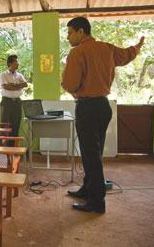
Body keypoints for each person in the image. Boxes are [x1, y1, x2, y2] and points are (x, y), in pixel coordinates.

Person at [62, 17, 144, 213]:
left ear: (81, 32)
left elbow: (71, 84)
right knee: (93, 153)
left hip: (87, 107)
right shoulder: (107, 48)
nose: (68, 37)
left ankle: (97, 202)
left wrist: (64, 84)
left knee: (90, 154)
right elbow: (126, 55)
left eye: (70, 32)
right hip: (103, 106)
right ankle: (87, 189)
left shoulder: (77, 52)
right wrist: (138, 46)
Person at [0, 55, 27, 146]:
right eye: (16, 62)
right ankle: (4, 148)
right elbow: (5, 87)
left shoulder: (19, 75)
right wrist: (18, 86)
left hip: (17, 102)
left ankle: (13, 148)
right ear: (10, 63)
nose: (18, 63)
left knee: (16, 124)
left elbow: (25, 84)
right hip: (7, 102)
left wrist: (13, 85)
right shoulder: (3, 75)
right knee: (5, 125)